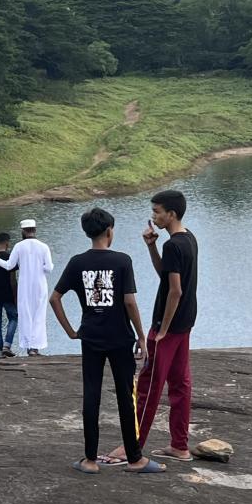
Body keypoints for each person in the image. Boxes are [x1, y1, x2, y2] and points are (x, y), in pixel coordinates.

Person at [50, 207, 165, 475]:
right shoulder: (122, 261)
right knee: (126, 396)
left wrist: (70, 330)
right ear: (110, 231)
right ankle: (135, 459)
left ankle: (89, 460)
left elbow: (54, 297)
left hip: (90, 337)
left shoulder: (78, 262)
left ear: (87, 232)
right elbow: (128, 301)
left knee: (91, 395)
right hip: (119, 338)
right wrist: (141, 336)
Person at [105, 190, 199, 464]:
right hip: (185, 323)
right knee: (180, 384)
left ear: (172, 213)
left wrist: (162, 330)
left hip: (169, 326)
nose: (154, 216)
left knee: (148, 386)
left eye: (157, 211)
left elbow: (175, 292)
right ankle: (180, 446)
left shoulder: (174, 245)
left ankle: (132, 447)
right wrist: (151, 247)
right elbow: (166, 277)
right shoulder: (187, 239)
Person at [0, 219, 53, 355]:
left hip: (25, 286)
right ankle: (35, 348)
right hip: (40, 285)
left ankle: (28, 346)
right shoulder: (44, 247)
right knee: (39, 315)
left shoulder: (19, 247)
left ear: (23, 231)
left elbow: (9, 266)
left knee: (25, 315)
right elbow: (49, 268)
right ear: (35, 230)